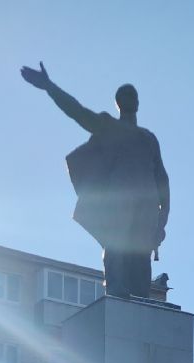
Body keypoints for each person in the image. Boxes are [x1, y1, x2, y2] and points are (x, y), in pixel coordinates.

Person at [20, 62, 170, 300]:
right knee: (115, 246)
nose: (131, 98)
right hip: (118, 199)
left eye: (133, 95)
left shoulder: (148, 138)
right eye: (126, 95)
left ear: (138, 102)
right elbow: (77, 111)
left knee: (140, 260)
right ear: (118, 102)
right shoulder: (108, 125)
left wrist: (162, 222)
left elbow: (162, 179)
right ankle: (116, 292)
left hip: (146, 206)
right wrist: (49, 87)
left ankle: (140, 301)